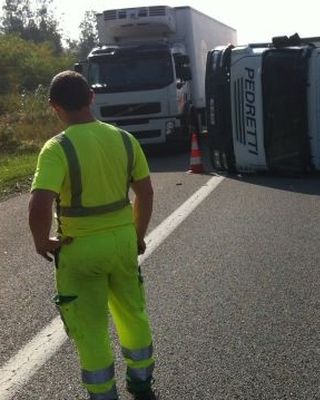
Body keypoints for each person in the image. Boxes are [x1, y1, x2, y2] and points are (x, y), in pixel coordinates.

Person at [28, 70, 156, 400]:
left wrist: (42, 242)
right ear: (92, 98)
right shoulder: (125, 139)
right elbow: (145, 192)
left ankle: (103, 393)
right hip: (122, 243)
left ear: (54, 105)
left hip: (80, 248)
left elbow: (40, 202)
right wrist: (138, 235)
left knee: (91, 327)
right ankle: (141, 381)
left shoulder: (57, 148)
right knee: (133, 313)